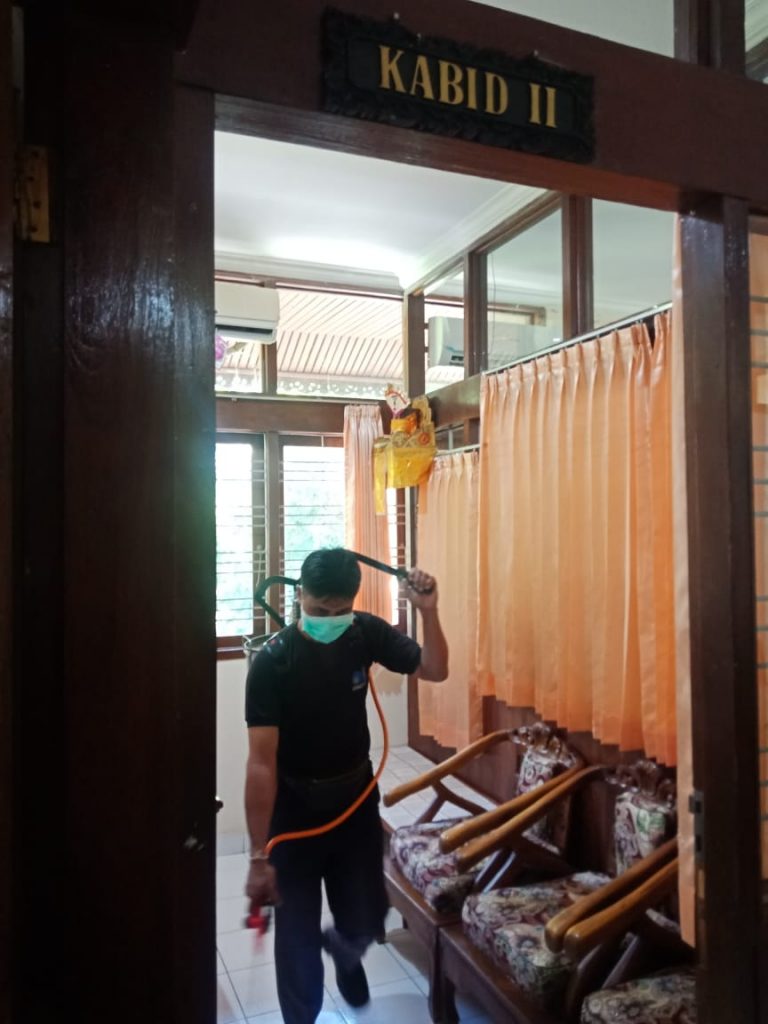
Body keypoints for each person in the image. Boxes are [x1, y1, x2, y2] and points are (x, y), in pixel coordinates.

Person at [244, 547, 448, 1024]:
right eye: (318, 610)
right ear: (300, 596)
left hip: (354, 802)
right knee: (296, 939)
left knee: (367, 916)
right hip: (293, 812)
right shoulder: (272, 664)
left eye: (339, 611)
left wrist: (429, 612)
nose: (329, 620)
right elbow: (261, 764)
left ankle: (346, 951)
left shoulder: (363, 633)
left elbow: (435, 670)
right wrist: (257, 856)